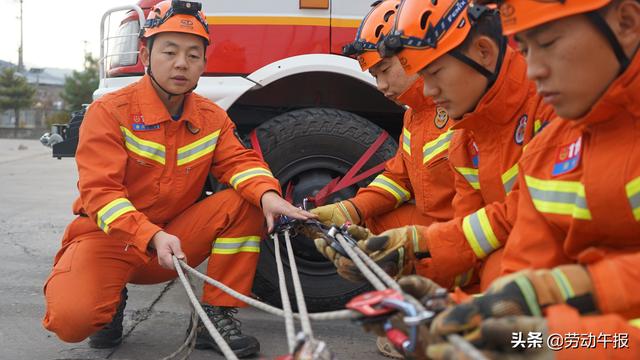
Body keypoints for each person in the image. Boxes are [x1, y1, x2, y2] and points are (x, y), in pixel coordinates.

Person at [41, 1, 314, 357]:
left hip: (176, 242)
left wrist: (269, 196)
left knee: (246, 200)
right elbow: (101, 196)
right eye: (169, 51)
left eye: (193, 54)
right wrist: (149, 235)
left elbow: (240, 163)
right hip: (111, 238)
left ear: (204, 62)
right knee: (71, 321)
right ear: (145, 55)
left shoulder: (211, 117)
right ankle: (110, 298)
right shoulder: (109, 112)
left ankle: (214, 315)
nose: (182, 63)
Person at [422, 0, 640, 358]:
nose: (533, 69)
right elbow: (525, 284)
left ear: (627, 22)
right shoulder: (545, 155)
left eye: (549, 43)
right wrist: (455, 314)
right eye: (523, 49)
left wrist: (559, 324)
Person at [317, 0, 555, 295]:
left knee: (499, 267)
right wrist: (355, 214)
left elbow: (501, 224)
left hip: (521, 252)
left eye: (385, 70)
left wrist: (421, 255)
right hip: (472, 233)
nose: (429, 90)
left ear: (484, 52)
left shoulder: (546, 108)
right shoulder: (464, 131)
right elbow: (467, 224)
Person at [313, 0, 457, 282]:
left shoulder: (460, 107)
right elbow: (398, 179)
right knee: (371, 224)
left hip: (465, 231)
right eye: (375, 75)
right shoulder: (415, 117)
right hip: (449, 227)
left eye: (384, 70)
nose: (380, 86)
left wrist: (419, 245)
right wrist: (349, 210)